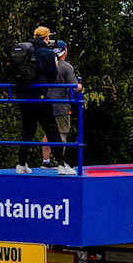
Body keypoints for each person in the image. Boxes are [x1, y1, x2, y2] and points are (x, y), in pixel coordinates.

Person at [13, 26, 71, 174]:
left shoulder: (25, 50)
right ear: (46, 38)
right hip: (40, 97)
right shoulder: (46, 53)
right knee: (52, 130)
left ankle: (21, 163)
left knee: (28, 131)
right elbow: (51, 76)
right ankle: (61, 164)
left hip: (24, 97)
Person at [44, 40, 82, 169]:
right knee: (62, 133)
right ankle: (60, 162)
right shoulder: (66, 67)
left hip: (46, 103)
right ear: (65, 50)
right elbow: (74, 87)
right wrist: (80, 86)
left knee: (47, 133)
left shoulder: (47, 66)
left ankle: (45, 161)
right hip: (61, 105)